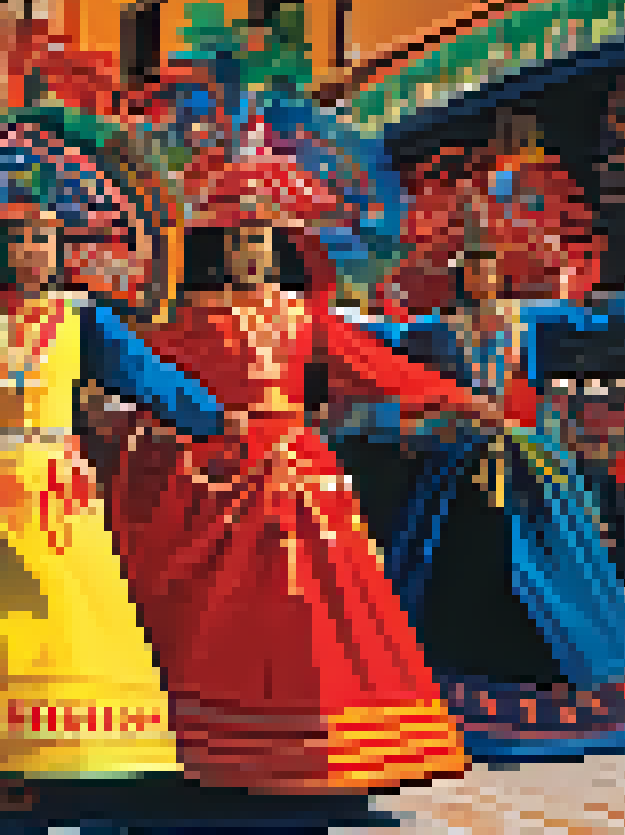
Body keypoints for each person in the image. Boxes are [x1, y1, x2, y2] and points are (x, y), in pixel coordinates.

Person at [118, 157, 479, 793]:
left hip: (299, 469)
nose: (249, 253)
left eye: (259, 239)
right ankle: (226, 738)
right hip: (219, 470)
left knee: (322, 603)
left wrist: (456, 399)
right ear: (213, 249)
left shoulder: (301, 315)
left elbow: (371, 365)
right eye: (236, 240)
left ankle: (326, 739)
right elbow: (145, 382)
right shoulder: (180, 320)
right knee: (223, 607)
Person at [0, 203, 222, 796]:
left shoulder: (80, 317)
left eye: (44, 241)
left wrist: (213, 421)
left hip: (52, 483)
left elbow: (148, 377)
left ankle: (54, 747)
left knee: (58, 606)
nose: (33, 253)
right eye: (20, 241)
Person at [346, 204, 625, 759]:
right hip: (459, 466)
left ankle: (553, 665)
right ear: (456, 273)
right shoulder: (433, 332)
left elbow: (604, 322)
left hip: (528, 465)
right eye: (469, 264)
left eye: (487, 263)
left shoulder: (531, 322)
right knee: (453, 560)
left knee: (553, 561)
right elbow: (367, 341)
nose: (479, 274)